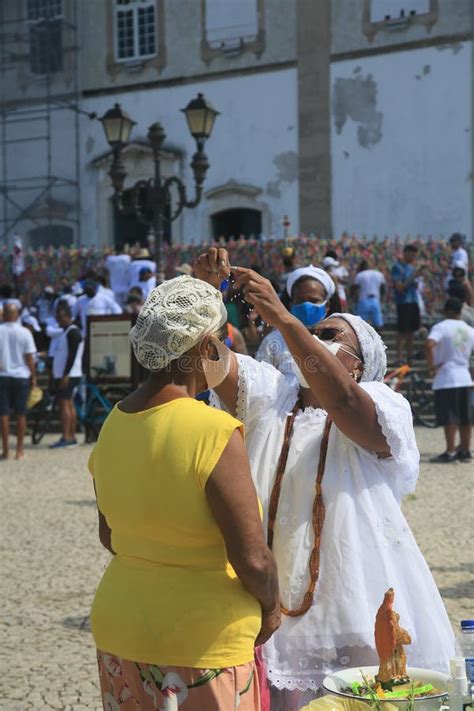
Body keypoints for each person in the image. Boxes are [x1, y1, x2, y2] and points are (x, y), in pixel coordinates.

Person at [195, 247, 455, 711]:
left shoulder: (381, 401)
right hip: (264, 601)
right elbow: (210, 360)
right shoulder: (272, 394)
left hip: (349, 603)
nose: (314, 339)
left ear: (358, 362)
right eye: (312, 332)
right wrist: (206, 294)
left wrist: (283, 318)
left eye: (329, 334)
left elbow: (347, 404)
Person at [89, 276, 279, 710]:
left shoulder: (113, 423)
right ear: (206, 347)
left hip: (122, 626)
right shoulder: (211, 429)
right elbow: (251, 557)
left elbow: (110, 536)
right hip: (202, 638)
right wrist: (271, 606)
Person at [256, 266, 336, 384]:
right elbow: (260, 383)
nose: (306, 306)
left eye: (313, 301)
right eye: (300, 301)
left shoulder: (338, 340)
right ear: (291, 304)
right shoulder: (274, 342)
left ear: (327, 306)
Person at [425, 297, 473, 463]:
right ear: (460, 311)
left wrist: (432, 367)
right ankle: (466, 450)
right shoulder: (468, 329)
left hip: (446, 376)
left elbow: (430, 344)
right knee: (466, 417)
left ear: (446, 311)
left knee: (449, 416)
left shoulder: (441, 327)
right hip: (465, 376)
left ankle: (451, 451)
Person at [0, 303, 37, 459]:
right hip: (21, 375)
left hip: (2, 375)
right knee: (21, 414)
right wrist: (33, 376)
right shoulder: (24, 332)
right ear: (16, 315)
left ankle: (6, 449)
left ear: (4, 314)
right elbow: (29, 357)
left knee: (4, 414)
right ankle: (20, 450)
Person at [49, 303, 84, 449]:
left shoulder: (73, 332)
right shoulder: (66, 331)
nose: (58, 320)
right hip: (67, 374)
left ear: (69, 316)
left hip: (69, 374)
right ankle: (71, 436)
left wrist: (65, 374)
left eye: (61, 317)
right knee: (69, 404)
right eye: (57, 317)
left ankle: (66, 436)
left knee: (64, 405)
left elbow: (72, 354)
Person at [391, 244, 422, 363]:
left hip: (413, 301)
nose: (414, 257)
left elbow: (414, 285)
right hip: (403, 302)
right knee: (402, 331)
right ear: (406, 253)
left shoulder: (411, 267)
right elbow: (400, 287)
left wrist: (417, 278)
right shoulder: (397, 267)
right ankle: (399, 357)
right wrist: (413, 276)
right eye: (412, 254)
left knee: (412, 330)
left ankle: (409, 356)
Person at [353, 260, 386, 329]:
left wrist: (355, 299)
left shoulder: (360, 275)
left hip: (363, 300)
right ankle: (378, 338)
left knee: (360, 325)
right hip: (375, 300)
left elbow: (354, 288)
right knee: (378, 325)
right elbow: (383, 288)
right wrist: (382, 298)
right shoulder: (379, 274)